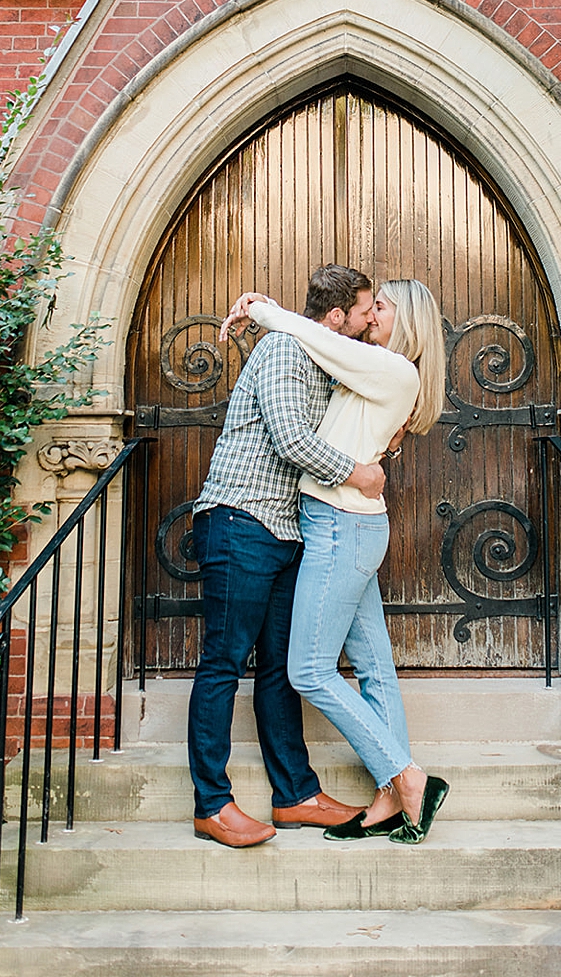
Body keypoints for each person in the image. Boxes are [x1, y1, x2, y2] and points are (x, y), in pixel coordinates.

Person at [220, 279, 449, 845]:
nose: (372, 315)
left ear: (410, 321)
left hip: (342, 525)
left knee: (308, 671)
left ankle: (406, 775)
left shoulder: (394, 370)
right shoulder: (375, 367)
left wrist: (264, 307)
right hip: (346, 523)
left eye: (383, 307)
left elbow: (309, 332)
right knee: (374, 666)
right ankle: (393, 795)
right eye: (371, 305)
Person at [187, 264, 388, 848]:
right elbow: (291, 438)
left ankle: (296, 795)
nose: (370, 317)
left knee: (281, 669)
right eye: (364, 310)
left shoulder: (324, 358)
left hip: (286, 531)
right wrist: (357, 473)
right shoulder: (283, 351)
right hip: (239, 520)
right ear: (335, 318)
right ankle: (212, 805)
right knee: (223, 662)